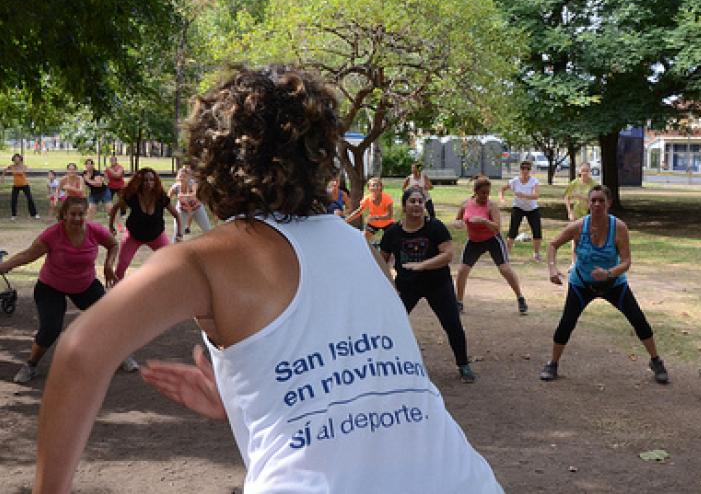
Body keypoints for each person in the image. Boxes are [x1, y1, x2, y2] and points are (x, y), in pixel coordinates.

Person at [33, 65, 503, 493]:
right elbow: (363, 382)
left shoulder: (208, 258)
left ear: (211, 161)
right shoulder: (359, 246)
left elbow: (81, 351)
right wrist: (247, 396)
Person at [0, 196, 138, 384]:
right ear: (64, 214)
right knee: (50, 328)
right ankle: (31, 365)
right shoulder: (52, 234)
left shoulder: (94, 231)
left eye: (81, 214)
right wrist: (5, 266)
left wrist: (108, 265)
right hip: (51, 286)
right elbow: (27, 255)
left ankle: (121, 356)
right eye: (73, 214)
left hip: (85, 284)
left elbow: (113, 244)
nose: (77, 218)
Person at [541, 184, 669, 384]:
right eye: (593, 200)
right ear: (588, 203)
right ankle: (552, 363)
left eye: (601, 200)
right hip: (581, 284)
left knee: (638, 319)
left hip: (613, 284)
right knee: (566, 323)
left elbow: (626, 262)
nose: (597, 204)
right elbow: (553, 244)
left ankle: (656, 361)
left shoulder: (618, 227)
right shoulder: (578, 226)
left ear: (609, 203)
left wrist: (609, 273)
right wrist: (552, 268)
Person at [381, 186, 476, 383]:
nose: (416, 205)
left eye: (420, 202)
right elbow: (382, 261)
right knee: (390, 324)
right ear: (404, 206)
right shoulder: (392, 232)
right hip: (407, 285)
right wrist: (389, 284)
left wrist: (423, 265)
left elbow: (448, 255)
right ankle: (385, 364)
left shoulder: (435, 227)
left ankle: (463, 364)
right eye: (412, 201)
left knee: (452, 324)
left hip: (437, 283)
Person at [454, 176, 528, 314]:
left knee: (505, 269)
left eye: (488, 193)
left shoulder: (491, 206)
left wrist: (484, 221)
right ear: (476, 191)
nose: (486, 196)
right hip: (474, 241)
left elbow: (497, 228)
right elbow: (458, 220)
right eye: (483, 193)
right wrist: (458, 224)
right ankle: (458, 302)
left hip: (492, 239)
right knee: (462, 270)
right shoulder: (466, 204)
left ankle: (520, 298)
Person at [108, 167, 182, 279]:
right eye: (145, 180)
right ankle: (116, 289)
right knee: (122, 265)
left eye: (151, 180)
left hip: (156, 236)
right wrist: (111, 226)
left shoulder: (160, 197)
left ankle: (171, 286)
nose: (148, 183)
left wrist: (179, 234)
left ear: (155, 181)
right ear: (140, 182)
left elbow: (177, 215)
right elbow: (114, 209)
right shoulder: (132, 196)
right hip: (133, 236)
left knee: (170, 261)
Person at [499, 159, 542, 261]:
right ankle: (507, 255)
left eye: (527, 169)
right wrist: (502, 199)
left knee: (537, 231)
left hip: (532, 208)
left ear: (530, 170)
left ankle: (536, 254)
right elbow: (502, 189)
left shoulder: (534, 181)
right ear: (520, 170)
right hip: (518, 207)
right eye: (523, 168)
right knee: (513, 230)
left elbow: (536, 195)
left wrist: (524, 195)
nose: (525, 171)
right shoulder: (515, 181)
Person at [168, 166, 211, 241]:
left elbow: (194, 194)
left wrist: (183, 195)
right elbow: (167, 198)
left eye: (184, 176)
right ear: (177, 177)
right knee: (177, 234)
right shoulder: (175, 187)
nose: (182, 178)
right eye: (180, 176)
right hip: (182, 210)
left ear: (188, 177)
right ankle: (175, 250)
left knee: (208, 230)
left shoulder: (193, 183)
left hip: (197, 208)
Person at [345, 177, 394, 243]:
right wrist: (346, 220)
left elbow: (390, 215)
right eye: (373, 185)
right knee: (364, 240)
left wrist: (376, 217)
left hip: (387, 223)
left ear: (381, 187)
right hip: (373, 223)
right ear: (369, 188)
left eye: (378, 185)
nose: (376, 187)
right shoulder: (367, 199)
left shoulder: (387, 198)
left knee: (392, 241)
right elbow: (358, 212)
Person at [2, 153, 40, 219]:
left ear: (20, 159)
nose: (16, 160)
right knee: (13, 200)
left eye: (17, 158)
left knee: (30, 199)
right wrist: (2, 176)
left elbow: (22, 172)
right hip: (16, 185)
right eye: (14, 158)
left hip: (24, 185)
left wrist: (15, 170)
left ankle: (34, 214)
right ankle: (13, 215)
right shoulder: (11, 166)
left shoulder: (24, 166)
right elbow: (5, 170)